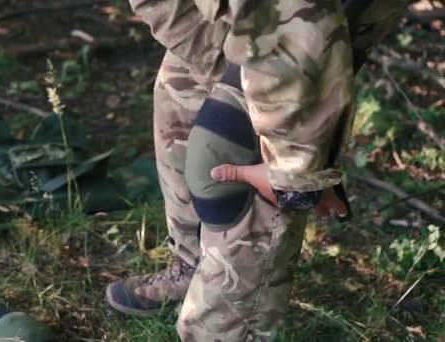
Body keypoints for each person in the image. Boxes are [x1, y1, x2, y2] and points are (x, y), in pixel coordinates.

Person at [105, 0, 410, 340]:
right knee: (181, 94)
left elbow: (298, 28)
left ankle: (228, 326)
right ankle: (197, 264)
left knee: (236, 148)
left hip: (297, 20)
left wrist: (291, 169)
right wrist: (218, 69)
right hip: (261, 16)